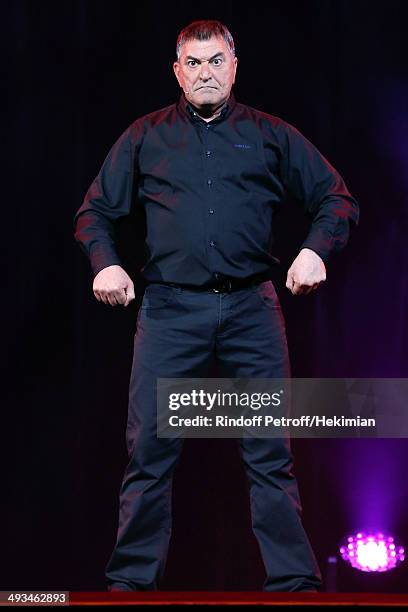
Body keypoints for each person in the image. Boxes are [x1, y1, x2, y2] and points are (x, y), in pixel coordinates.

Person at [73, 20, 359, 592]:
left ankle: (296, 587)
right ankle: (130, 586)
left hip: (253, 309)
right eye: (194, 63)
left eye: (216, 60)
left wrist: (314, 251)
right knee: (150, 452)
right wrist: (105, 262)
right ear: (177, 72)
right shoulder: (145, 136)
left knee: (269, 454)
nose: (206, 72)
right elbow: (94, 213)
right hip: (171, 313)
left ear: (234, 66)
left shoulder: (271, 134)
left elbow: (336, 199)